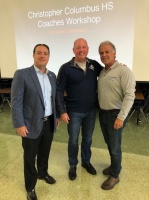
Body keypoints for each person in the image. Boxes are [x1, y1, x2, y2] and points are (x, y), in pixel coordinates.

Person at [11, 44, 60, 200]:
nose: (42, 56)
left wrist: (56, 115)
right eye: (39, 53)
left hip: (49, 123)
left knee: (44, 153)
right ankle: (30, 187)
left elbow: (54, 98)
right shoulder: (22, 74)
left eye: (45, 53)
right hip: (30, 124)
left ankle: (43, 173)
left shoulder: (52, 75)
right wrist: (19, 124)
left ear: (49, 56)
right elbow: (16, 101)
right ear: (33, 55)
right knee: (30, 157)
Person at [56, 38, 103, 180]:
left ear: (88, 49)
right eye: (78, 47)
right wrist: (62, 111)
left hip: (91, 111)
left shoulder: (94, 65)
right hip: (73, 112)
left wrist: (120, 67)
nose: (81, 49)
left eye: (84, 47)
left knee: (88, 139)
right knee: (74, 140)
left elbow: (108, 71)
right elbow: (58, 90)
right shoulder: (65, 68)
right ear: (73, 50)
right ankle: (72, 164)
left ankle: (86, 161)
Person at [97, 41, 135, 190]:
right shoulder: (103, 71)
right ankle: (115, 165)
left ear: (114, 53)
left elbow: (130, 95)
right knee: (110, 143)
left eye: (107, 52)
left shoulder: (124, 71)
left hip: (115, 115)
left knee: (115, 146)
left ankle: (114, 175)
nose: (104, 55)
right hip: (103, 114)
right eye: (101, 53)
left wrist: (121, 117)